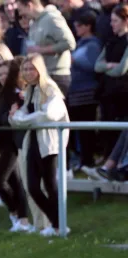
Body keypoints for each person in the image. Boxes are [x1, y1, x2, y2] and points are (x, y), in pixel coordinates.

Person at [9, 54, 70, 237]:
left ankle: (60, 226)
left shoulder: (50, 88)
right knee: (33, 187)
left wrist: (25, 119)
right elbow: (16, 118)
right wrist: (25, 119)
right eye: (25, 69)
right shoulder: (30, 91)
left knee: (51, 186)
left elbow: (50, 114)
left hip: (49, 143)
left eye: (32, 68)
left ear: (40, 69)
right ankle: (57, 222)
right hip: (33, 142)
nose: (28, 72)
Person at [0, 59, 32, 232]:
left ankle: (18, 215)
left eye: (5, 73)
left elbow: (8, 118)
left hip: (13, 143)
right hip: (5, 142)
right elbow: (1, 117)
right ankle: (21, 219)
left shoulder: (16, 93)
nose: (2, 77)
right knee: (14, 182)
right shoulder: (3, 93)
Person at [17, 0, 76, 95]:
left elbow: (70, 43)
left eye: (20, 10)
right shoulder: (33, 23)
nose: (20, 14)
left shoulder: (52, 18)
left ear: (29, 5)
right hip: (42, 76)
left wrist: (41, 50)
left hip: (57, 76)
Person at [68, 11, 102, 171]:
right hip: (75, 93)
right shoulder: (79, 43)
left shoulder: (93, 44)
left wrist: (75, 61)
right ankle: (82, 159)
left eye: (79, 25)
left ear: (88, 26)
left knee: (86, 129)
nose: (76, 28)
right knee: (78, 130)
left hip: (87, 94)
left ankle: (88, 160)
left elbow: (94, 66)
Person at [94, 4, 128, 157]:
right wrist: (109, 65)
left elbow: (122, 69)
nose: (111, 24)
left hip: (123, 94)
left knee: (119, 130)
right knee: (107, 130)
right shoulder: (110, 41)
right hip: (108, 93)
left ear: (125, 21)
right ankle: (107, 162)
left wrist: (107, 69)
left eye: (115, 21)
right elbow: (97, 66)